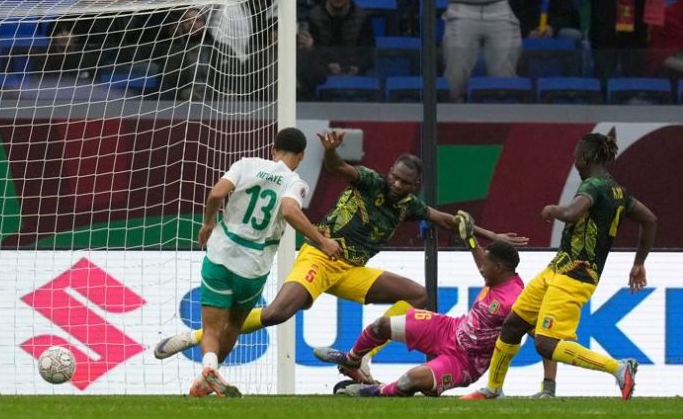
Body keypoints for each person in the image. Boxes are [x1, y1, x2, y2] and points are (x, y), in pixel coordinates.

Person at [156, 130, 529, 384]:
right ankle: (198, 336)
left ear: (414, 186)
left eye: (404, 182)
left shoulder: (409, 205)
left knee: (419, 296)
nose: (396, 183)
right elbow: (337, 167)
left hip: (351, 269)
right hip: (320, 256)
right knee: (276, 314)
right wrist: (332, 151)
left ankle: (359, 357)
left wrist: (492, 236)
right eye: (394, 177)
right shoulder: (369, 180)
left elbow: (447, 220)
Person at [462, 133, 657, 401]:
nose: (575, 164)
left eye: (576, 159)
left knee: (545, 343)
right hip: (557, 269)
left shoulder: (593, 186)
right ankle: (493, 390)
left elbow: (572, 212)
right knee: (513, 324)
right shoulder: (619, 192)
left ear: (585, 158)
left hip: (576, 275)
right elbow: (650, 220)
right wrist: (639, 263)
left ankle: (618, 368)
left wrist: (554, 210)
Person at [176, 127, 341, 398]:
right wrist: (322, 242)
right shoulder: (295, 182)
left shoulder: (245, 165)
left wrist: (208, 223)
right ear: (301, 156)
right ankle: (207, 379)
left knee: (212, 327)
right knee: (234, 325)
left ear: (273, 150)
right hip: (252, 267)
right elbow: (290, 210)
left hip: (220, 255)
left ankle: (208, 367)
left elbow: (216, 194)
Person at [315, 212, 525, 398]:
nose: (482, 268)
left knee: (411, 380)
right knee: (381, 326)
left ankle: (375, 390)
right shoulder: (497, 276)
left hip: (465, 362)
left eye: (486, 264)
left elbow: (535, 331)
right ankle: (353, 360)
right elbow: (482, 262)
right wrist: (470, 239)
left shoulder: (514, 300)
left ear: (499, 268)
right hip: (449, 329)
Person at [441, 0, 522, 102]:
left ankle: (503, 118)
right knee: (454, 83)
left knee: (505, 86)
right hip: (461, 9)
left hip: (499, 8)